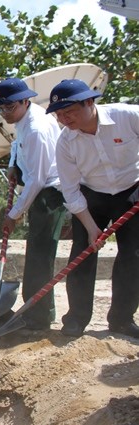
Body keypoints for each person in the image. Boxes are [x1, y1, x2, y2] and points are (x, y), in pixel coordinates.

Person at [46, 79, 139, 338]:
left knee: (133, 256)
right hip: (91, 197)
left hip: (131, 189)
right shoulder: (65, 142)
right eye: (59, 115)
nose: (65, 119)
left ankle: (121, 319)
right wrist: (90, 227)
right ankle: (76, 318)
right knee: (82, 254)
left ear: (89, 102)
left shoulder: (128, 116)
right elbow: (70, 190)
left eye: (70, 111)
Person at [0, 78, 66, 330]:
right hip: (39, 189)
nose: (4, 113)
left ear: (25, 100)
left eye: (9, 107)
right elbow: (16, 144)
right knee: (35, 253)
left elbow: (36, 180)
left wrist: (14, 213)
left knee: (40, 256)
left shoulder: (37, 128)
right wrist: (12, 164)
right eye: (0, 108)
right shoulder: (23, 121)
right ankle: (34, 311)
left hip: (49, 194)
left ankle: (40, 316)